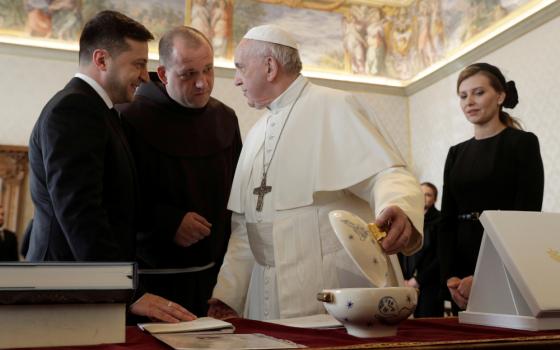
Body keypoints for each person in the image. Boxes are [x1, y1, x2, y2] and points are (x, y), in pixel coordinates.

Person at [207, 24, 424, 321]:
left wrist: (397, 206)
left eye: (240, 68)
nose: (236, 80)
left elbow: (387, 174)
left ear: (270, 67)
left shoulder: (335, 105)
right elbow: (245, 228)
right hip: (264, 293)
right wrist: (228, 295)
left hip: (332, 282)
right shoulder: (256, 133)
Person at [27, 10, 195, 323]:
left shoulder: (101, 111)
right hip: (68, 291)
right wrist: (126, 290)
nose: (146, 77)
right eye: (139, 64)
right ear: (102, 60)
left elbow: (117, 199)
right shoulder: (75, 109)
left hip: (84, 286)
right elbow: (80, 212)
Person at [118, 26, 242, 317]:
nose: (203, 84)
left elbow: (236, 198)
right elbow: (113, 197)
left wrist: (230, 284)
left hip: (211, 280)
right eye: (189, 74)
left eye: (209, 70)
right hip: (148, 281)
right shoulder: (129, 116)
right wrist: (166, 221)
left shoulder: (224, 119)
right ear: (162, 74)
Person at [439, 62, 544, 314]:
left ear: (500, 96)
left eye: (478, 92)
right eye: (463, 96)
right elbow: (446, 219)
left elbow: (525, 218)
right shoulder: (455, 153)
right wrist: (449, 277)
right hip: (459, 267)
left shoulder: (523, 143)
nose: (469, 102)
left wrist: (486, 277)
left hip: (504, 261)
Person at [399, 182, 443, 317]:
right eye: (421, 194)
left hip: (430, 284)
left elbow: (440, 257)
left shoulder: (440, 220)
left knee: (428, 325)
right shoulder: (409, 219)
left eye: (428, 195)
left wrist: (418, 280)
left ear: (435, 199)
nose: (424, 198)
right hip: (407, 283)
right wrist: (403, 279)